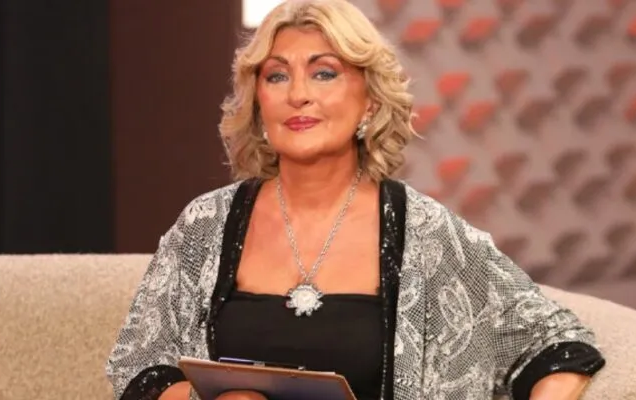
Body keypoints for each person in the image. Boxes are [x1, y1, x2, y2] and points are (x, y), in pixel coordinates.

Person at [105, 1, 606, 399]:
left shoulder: (427, 232)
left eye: (324, 73)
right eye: (277, 76)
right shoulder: (205, 225)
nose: (298, 94)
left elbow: (557, 344)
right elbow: (141, 362)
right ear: (259, 103)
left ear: (369, 101)